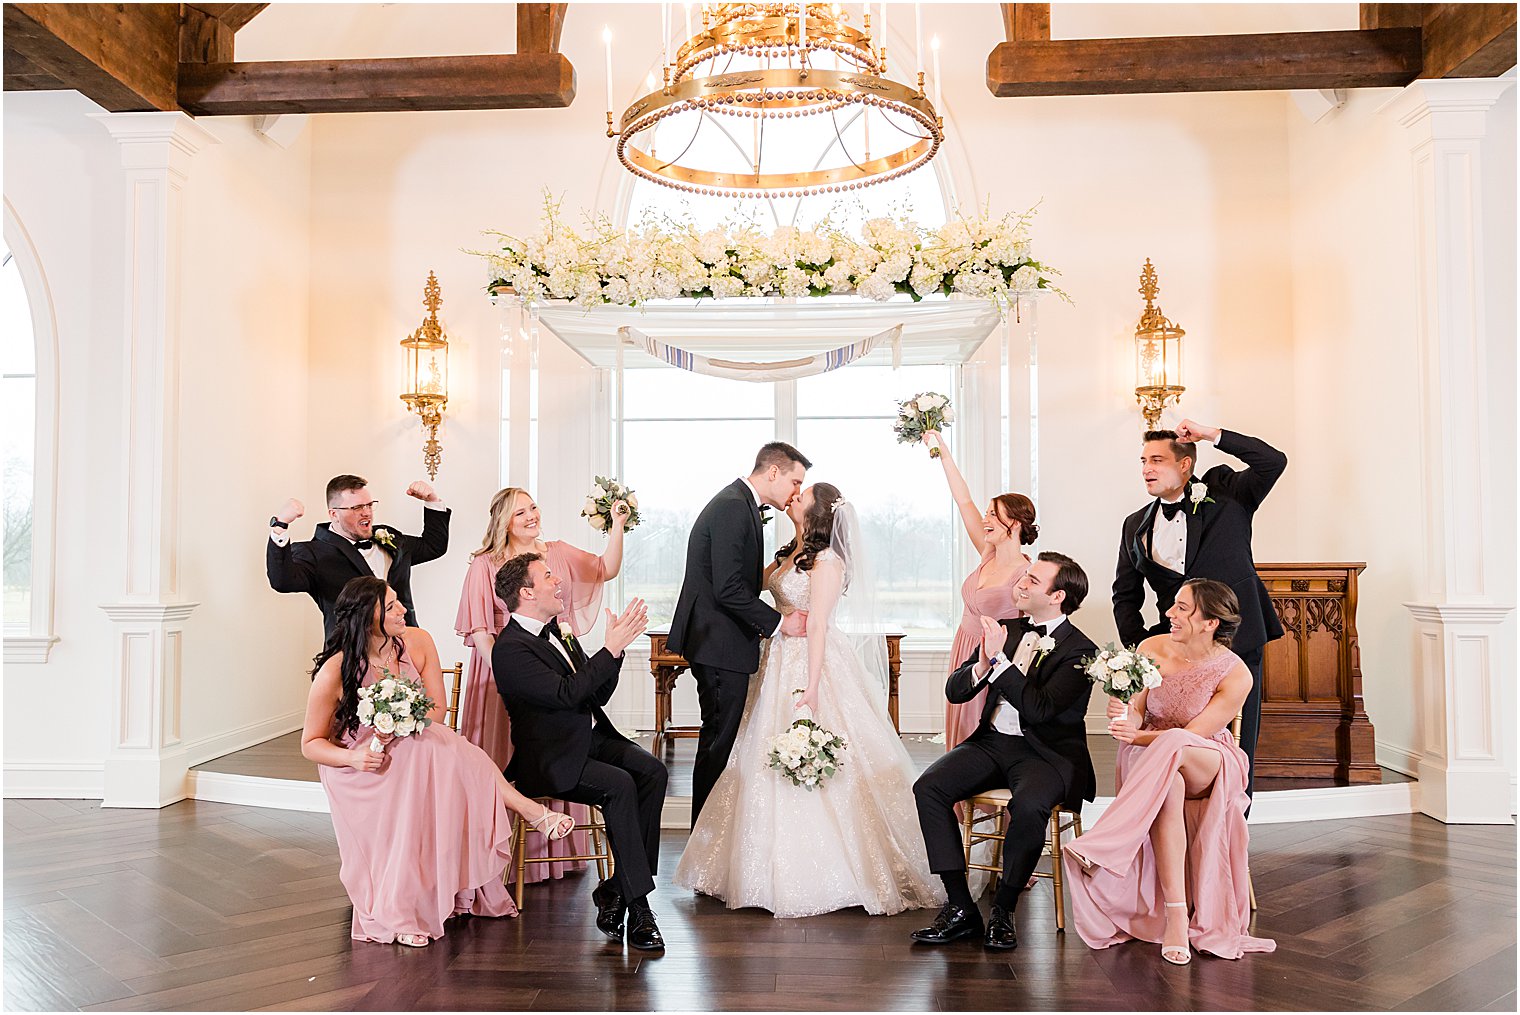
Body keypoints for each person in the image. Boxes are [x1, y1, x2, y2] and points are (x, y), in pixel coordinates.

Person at [675, 484, 944, 918]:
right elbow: (746, 586)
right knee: (753, 756)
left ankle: (835, 871)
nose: (792, 497)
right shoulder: (789, 553)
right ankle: (752, 868)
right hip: (775, 659)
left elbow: (818, 625)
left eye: (801, 495)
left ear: (817, 511)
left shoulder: (828, 560)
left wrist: (813, 686)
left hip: (812, 663)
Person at [301, 576, 572, 948]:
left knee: (433, 745)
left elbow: (438, 711)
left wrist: (403, 723)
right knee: (444, 750)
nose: (403, 610)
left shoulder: (418, 641)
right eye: (392, 605)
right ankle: (400, 912)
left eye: (399, 601)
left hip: (416, 745)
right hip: (360, 767)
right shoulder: (336, 669)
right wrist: (355, 756)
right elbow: (311, 744)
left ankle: (451, 887)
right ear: (368, 617)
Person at [1063, 579, 1276, 964]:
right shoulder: (1151, 648)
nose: (1169, 614)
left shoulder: (1237, 673)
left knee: (1176, 746)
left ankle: (1106, 842)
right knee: (1169, 788)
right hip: (1156, 763)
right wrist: (1125, 713)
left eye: (1182, 608)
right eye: (1173, 605)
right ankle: (1177, 917)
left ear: (1210, 622)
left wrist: (1137, 735)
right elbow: (1140, 711)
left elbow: (1193, 736)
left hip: (1206, 759)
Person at [911, 553, 1097, 951]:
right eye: (1025, 577)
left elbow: (1040, 709)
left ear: (1058, 596)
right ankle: (960, 907)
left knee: (1029, 807)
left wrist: (999, 661)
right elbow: (956, 690)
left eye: (1033, 579)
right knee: (928, 787)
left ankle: (1004, 909)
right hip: (993, 742)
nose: (1022, 583)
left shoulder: (1083, 650)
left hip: (1044, 754)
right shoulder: (1005, 629)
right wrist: (980, 667)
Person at [492, 554, 669, 952]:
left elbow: (596, 693)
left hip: (589, 740)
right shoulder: (510, 650)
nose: (559, 581)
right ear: (526, 592)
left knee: (653, 772)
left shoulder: (560, 631)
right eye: (549, 575)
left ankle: (616, 890)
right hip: (550, 758)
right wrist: (609, 648)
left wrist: (616, 652)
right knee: (620, 785)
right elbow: (566, 694)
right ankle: (639, 907)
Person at [454, 486, 630, 882]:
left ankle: (559, 852)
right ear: (503, 522)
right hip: (505, 667)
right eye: (520, 513)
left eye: (533, 506)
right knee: (505, 757)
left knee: (562, 747)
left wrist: (617, 525)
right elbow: (483, 631)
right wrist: (507, 674)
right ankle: (494, 857)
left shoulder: (558, 553)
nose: (531, 515)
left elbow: (606, 567)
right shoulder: (485, 565)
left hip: (553, 669)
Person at [1113, 421, 1286, 796]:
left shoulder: (1227, 495)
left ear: (1185, 465)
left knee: (1241, 741)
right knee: (1170, 737)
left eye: (1157, 460)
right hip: (1173, 654)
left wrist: (1211, 435)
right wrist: (1145, 650)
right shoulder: (1134, 525)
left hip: (1237, 641)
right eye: (1143, 461)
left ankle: (1232, 823)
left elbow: (1273, 461)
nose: (1147, 469)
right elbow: (1125, 594)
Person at [668, 442, 811, 826]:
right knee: (718, 742)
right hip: (718, 643)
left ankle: (712, 835)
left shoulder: (740, 503)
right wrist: (781, 624)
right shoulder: (734, 505)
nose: (796, 491)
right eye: (795, 481)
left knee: (723, 739)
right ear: (774, 472)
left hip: (722, 641)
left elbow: (737, 578)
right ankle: (704, 836)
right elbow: (728, 589)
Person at [922, 431, 1037, 750]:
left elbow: (1031, 632)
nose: (984, 519)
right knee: (959, 719)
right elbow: (963, 500)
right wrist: (942, 452)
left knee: (978, 729)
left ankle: (984, 796)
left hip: (991, 654)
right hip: (963, 644)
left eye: (992, 515)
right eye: (986, 514)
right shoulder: (987, 552)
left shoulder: (1027, 573)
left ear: (1013, 524)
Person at [269, 475, 451, 638]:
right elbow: (282, 582)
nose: (366, 512)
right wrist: (280, 525)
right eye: (356, 507)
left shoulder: (389, 538)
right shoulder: (313, 553)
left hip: (406, 646)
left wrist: (432, 500)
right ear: (334, 514)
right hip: (351, 656)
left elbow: (433, 546)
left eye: (369, 505)